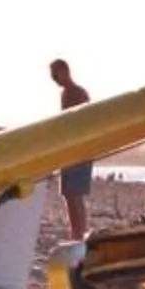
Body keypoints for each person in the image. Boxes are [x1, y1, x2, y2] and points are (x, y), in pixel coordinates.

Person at [48, 59, 93, 240]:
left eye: (55, 74)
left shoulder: (77, 93)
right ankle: (77, 232)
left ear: (65, 71)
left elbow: (84, 123)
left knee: (75, 194)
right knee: (70, 194)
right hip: (70, 149)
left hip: (79, 149)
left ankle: (79, 233)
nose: (54, 79)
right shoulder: (66, 94)